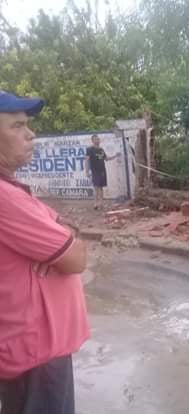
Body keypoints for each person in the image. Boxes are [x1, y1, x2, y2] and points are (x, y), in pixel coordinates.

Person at [0, 91, 89, 414]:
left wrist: (61, 238)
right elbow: (76, 258)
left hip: (29, 352)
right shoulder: (6, 199)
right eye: (17, 126)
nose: (31, 133)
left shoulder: (12, 191)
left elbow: (70, 232)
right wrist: (63, 242)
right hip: (35, 357)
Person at [85, 135, 120, 210]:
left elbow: (106, 159)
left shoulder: (101, 150)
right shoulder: (90, 149)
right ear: (92, 141)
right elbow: (87, 161)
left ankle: (101, 203)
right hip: (95, 171)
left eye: (98, 139)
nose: (97, 140)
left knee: (101, 187)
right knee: (96, 187)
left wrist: (115, 155)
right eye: (95, 139)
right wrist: (87, 171)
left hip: (102, 171)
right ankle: (96, 203)